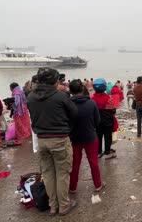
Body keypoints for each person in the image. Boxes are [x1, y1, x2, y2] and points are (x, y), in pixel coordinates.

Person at [27, 68, 78, 216]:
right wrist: (67, 128)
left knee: (48, 173)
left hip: (41, 140)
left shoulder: (30, 97)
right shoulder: (60, 96)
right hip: (60, 139)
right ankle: (64, 205)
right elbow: (74, 113)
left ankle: (53, 206)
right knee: (62, 173)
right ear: (54, 81)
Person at [68, 80, 103, 193]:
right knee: (93, 162)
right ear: (82, 89)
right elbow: (97, 121)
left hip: (74, 138)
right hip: (90, 136)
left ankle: (72, 187)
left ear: (71, 90)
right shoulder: (91, 103)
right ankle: (97, 185)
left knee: (75, 164)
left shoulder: (67, 104)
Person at [91, 78, 118, 159]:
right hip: (107, 122)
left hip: (96, 122)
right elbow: (113, 111)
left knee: (98, 137)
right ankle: (107, 152)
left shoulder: (92, 98)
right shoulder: (109, 98)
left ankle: (98, 152)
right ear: (104, 87)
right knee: (107, 137)